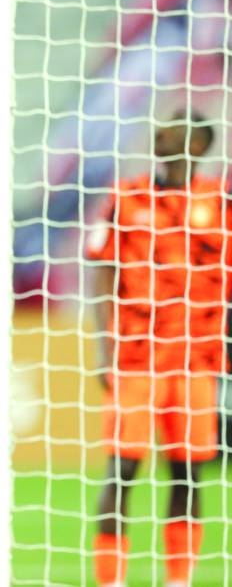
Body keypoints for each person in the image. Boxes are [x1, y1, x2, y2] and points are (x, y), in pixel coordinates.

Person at [87, 110, 225, 587]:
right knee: (122, 469)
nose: (161, 132)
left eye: (175, 127)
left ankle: (179, 579)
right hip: (135, 357)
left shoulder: (220, 202)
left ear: (200, 144)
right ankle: (111, 580)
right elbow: (102, 271)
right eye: (163, 125)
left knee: (188, 475)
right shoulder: (126, 198)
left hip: (196, 361)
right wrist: (104, 349)